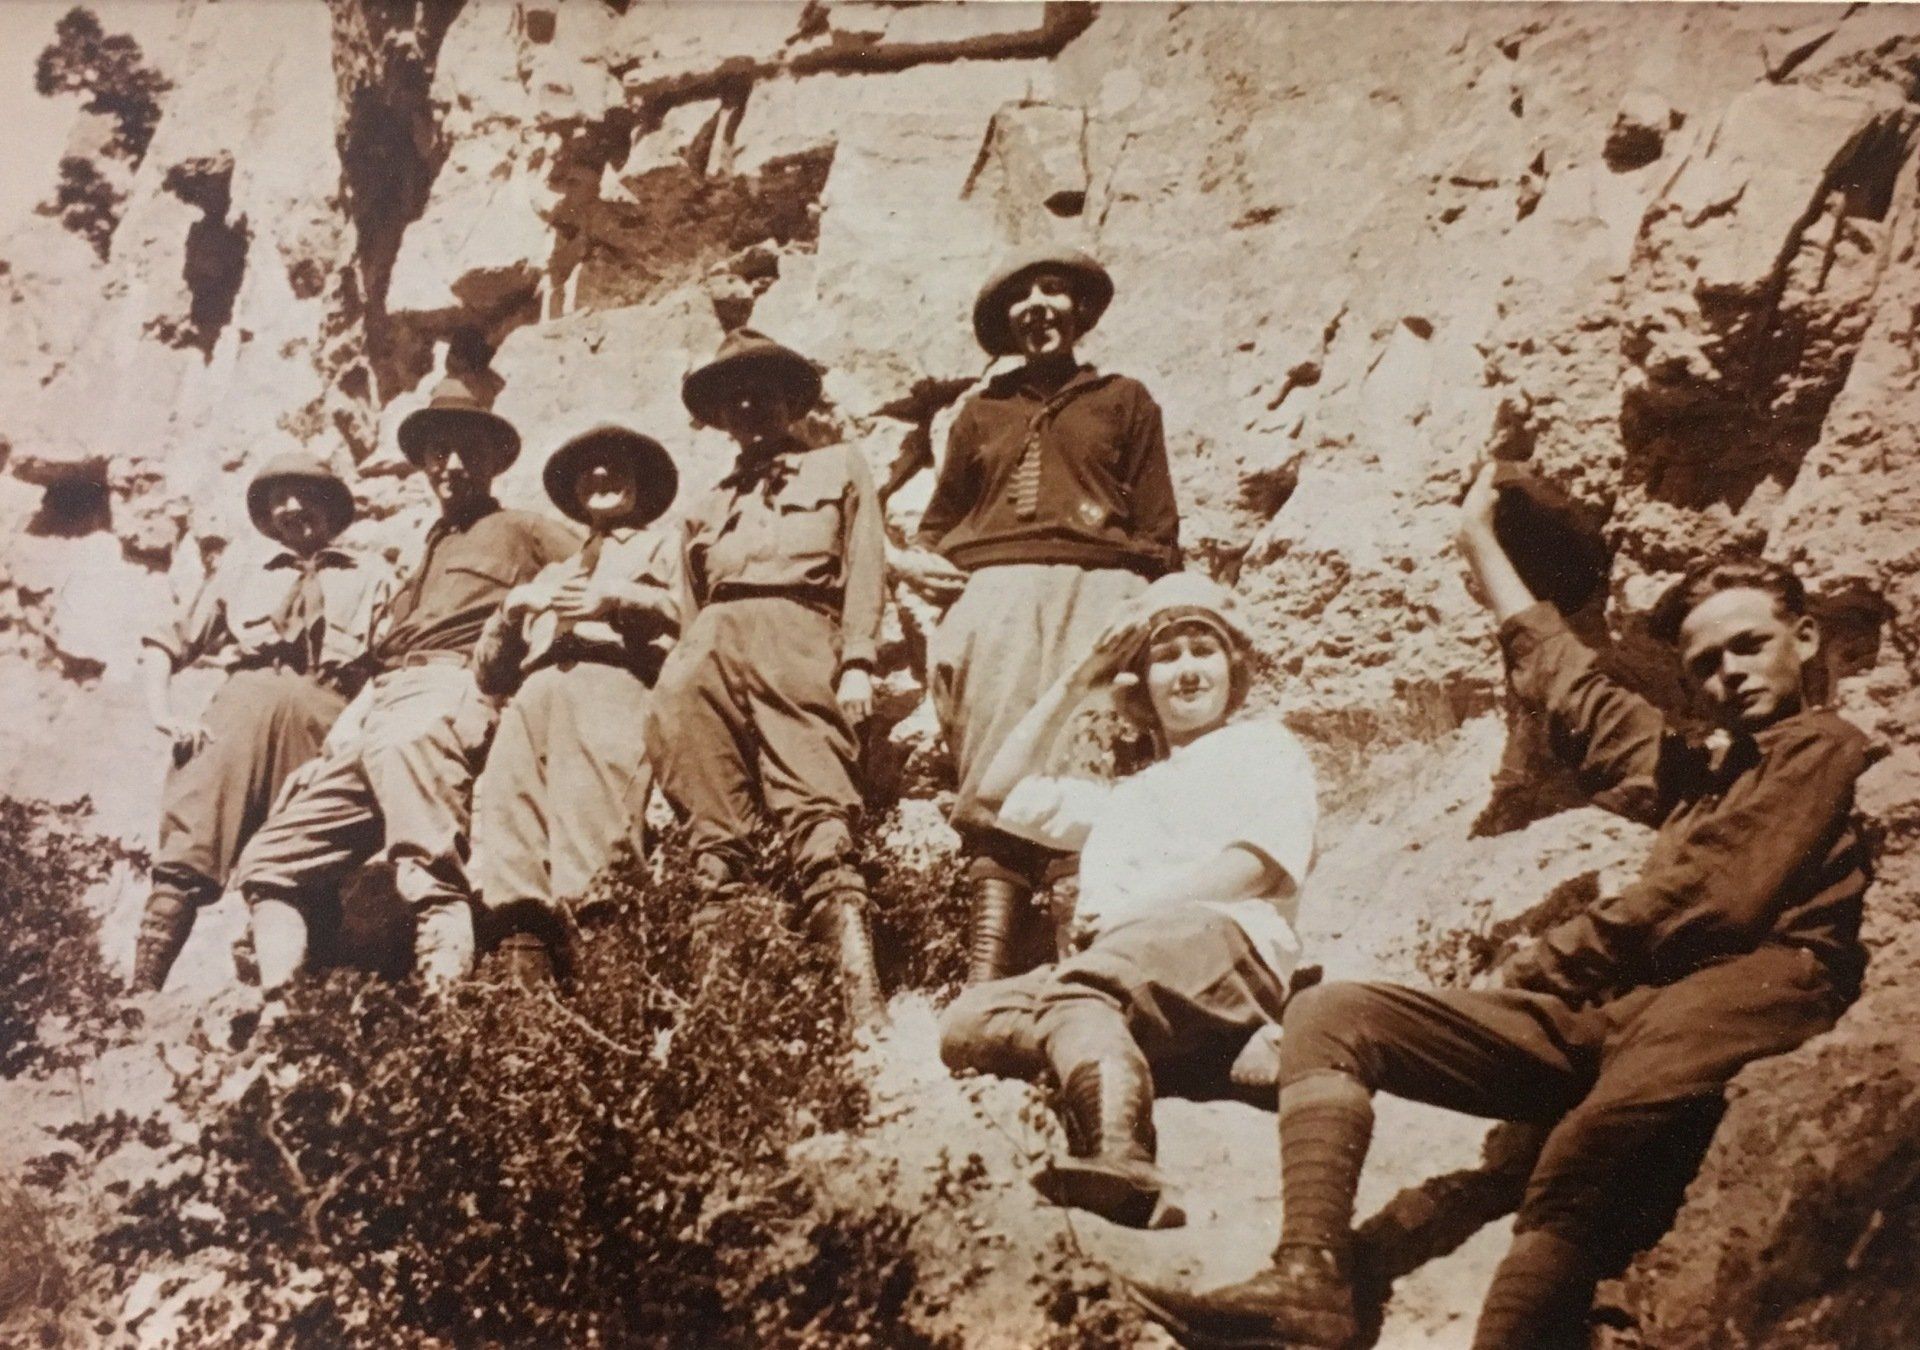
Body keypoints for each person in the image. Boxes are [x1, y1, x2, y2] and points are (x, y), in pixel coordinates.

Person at [1130, 463, 1876, 1350]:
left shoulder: (1819, 749)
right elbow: (1578, 693)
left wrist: (1543, 960)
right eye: (1707, 663)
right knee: (1333, 1015)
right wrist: (1480, 540)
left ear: (1804, 638)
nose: (1729, 674)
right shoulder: (1702, 775)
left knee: (1583, 1149)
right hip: (1628, 1016)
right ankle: (1309, 1282)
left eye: (1749, 646)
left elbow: (1710, 896)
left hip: (1749, 992)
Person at [939, 572, 1318, 1230]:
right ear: (1140, 686)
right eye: (1166, 658)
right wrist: (1077, 681)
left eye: (1203, 650)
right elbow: (991, 796)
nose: (1188, 670)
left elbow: (1252, 867)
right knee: (968, 1020)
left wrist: (1127, 916)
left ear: (1232, 669)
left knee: (1087, 987)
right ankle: (1206, 1058)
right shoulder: (1124, 796)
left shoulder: (1263, 747)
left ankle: (1122, 1160)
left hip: (1229, 943)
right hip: (1124, 968)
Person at [227, 375, 577, 991]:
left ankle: (446, 993)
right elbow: (389, 655)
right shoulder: (424, 549)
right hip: (381, 700)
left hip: (454, 685)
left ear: (496, 459)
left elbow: (592, 567)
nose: (453, 465)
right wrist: (340, 738)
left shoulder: (525, 529)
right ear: (422, 462)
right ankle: (285, 1011)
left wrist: (533, 615)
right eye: (439, 452)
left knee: (423, 849)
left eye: (470, 450)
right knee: (268, 859)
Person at [893, 245, 1182, 984]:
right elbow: (940, 522)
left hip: (1103, 584)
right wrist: (931, 570)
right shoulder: (979, 413)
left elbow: (1157, 527)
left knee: (1090, 757)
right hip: (996, 591)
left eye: (1054, 293)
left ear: (1078, 312)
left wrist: (1146, 605)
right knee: (996, 763)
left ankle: (1081, 967)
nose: (1039, 308)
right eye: (1022, 300)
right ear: (1008, 324)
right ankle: (984, 978)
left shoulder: (1124, 399)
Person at [644, 329, 888, 1027]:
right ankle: (730, 1021)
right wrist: (683, 680)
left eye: (763, 390)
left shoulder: (842, 466)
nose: (749, 404)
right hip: (709, 650)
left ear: (791, 398)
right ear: (718, 416)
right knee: (713, 844)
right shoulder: (704, 504)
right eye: (732, 396)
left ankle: (861, 1008)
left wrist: (860, 659)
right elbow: (693, 607)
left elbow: (866, 565)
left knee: (821, 810)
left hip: (799, 633)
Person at [131, 451, 391, 992]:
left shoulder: (374, 575)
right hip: (242, 706)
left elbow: (394, 664)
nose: (292, 509)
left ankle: (301, 1011)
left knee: (302, 862)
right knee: (191, 840)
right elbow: (166, 639)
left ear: (332, 508)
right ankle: (142, 993)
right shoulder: (241, 571)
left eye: (305, 496)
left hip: (326, 718)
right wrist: (161, 713)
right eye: (278, 501)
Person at [470, 425, 686, 986]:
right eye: (587, 470)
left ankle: (614, 1011)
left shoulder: (664, 545)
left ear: (641, 483)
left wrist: (616, 600)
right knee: (510, 828)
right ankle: (527, 1009)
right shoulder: (552, 572)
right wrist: (513, 612)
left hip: (609, 683)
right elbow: (489, 676)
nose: (600, 476)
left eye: (615, 466)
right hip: (532, 697)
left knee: (598, 845)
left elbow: (690, 613)